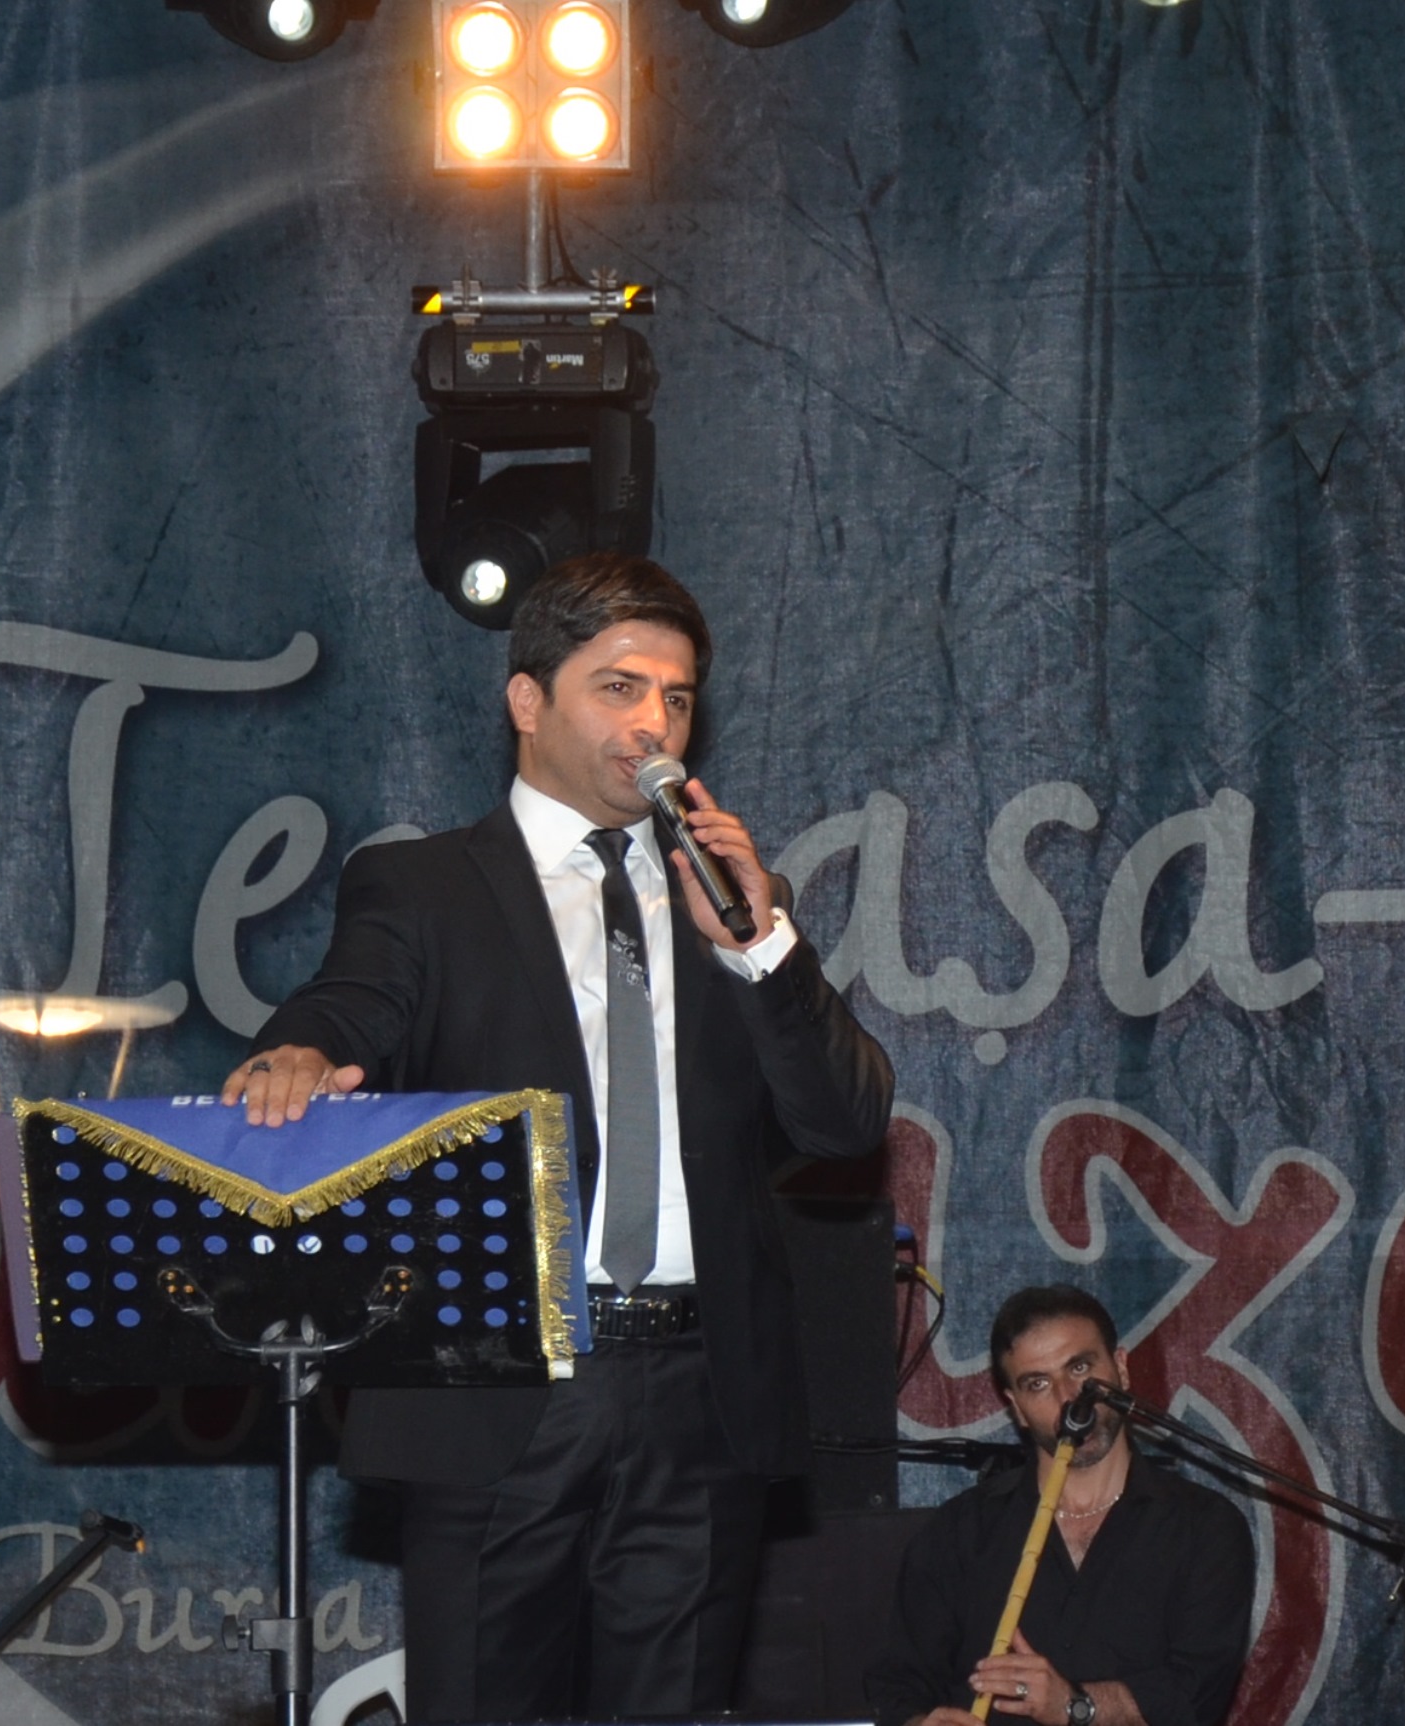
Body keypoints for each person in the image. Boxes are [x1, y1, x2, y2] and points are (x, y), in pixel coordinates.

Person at [221, 552, 895, 1722]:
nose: (653, 723)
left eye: (676, 697)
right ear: (527, 700)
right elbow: (353, 1001)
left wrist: (761, 945)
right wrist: (299, 1049)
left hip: (701, 1390)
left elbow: (844, 1122)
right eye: (619, 688)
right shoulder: (425, 885)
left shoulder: (733, 898)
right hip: (503, 1381)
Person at [865, 1287, 1253, 1726]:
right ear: (1016, 1407)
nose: (1068, 1399)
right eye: (1038, 1384)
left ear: (1121, 1368)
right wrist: (920, 1723)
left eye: (1080, 1368)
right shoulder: (958, 1532)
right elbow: (897, 1685)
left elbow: (1196, 1696)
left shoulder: (1204, 1526)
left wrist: (1074, 1705)